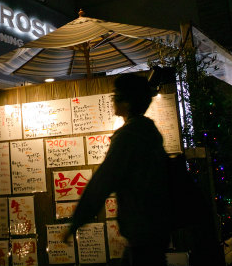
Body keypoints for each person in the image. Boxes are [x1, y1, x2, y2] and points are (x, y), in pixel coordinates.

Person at [61, 73, 171, 266]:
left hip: (141, 232)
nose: (112, 100)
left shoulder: (128, 137)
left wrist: (75, 223)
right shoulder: (148, 132)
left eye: (115, 95)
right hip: (155, 229)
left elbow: (102, 182)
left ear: (126, 101)